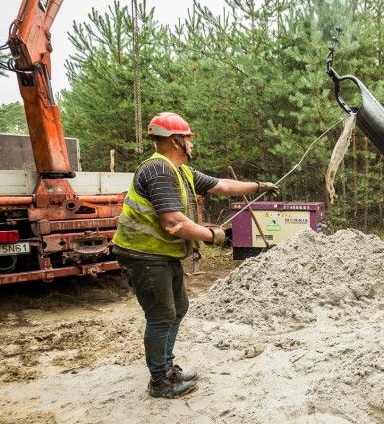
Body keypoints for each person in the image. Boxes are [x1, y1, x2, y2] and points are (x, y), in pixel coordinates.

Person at [113, 112, 280, 399]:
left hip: (161, 254)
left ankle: (166, 367)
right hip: (144, 255)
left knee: (178, 307)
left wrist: (258, 187)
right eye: (189, 139)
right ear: (176, 141)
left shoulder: (182, 171)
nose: (192, 144)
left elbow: (222, 185)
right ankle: (160, 381)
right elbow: (173, 222)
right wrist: (212, 235)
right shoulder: (158, 170)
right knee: (162, 314)